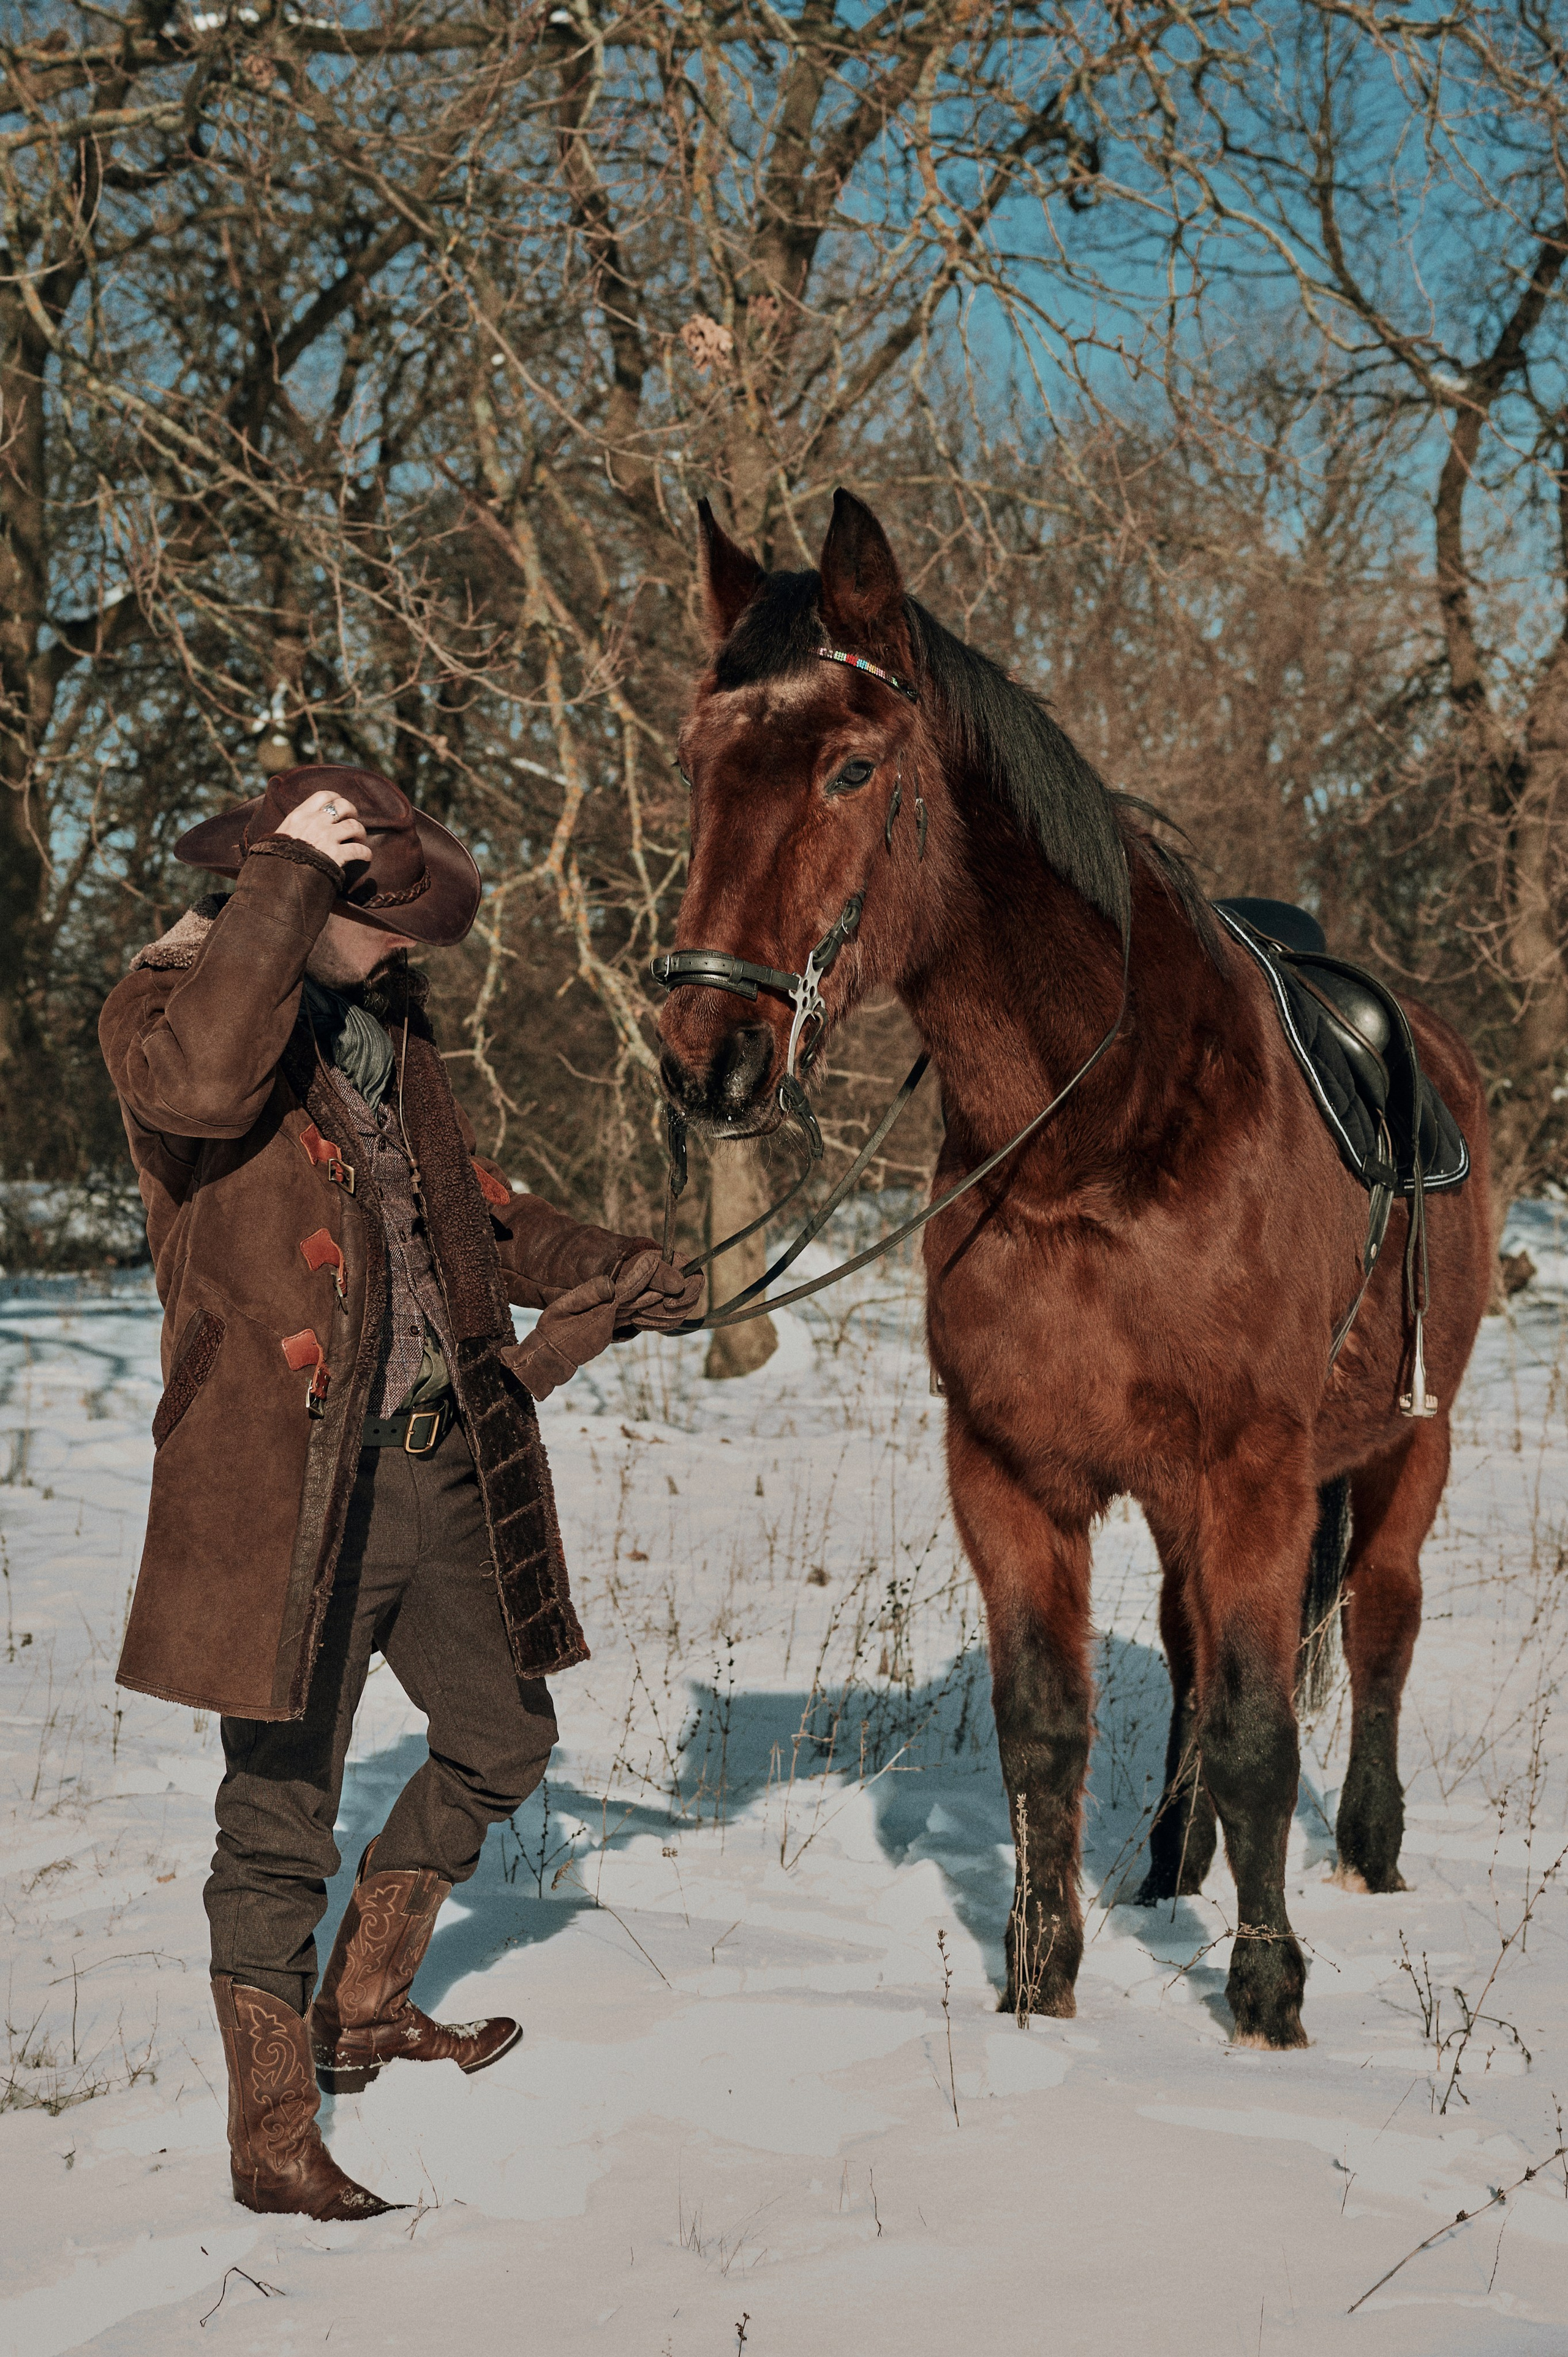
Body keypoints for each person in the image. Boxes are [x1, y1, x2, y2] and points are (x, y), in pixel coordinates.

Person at [99, 764, 701, 2219]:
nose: (412, 949)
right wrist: (284, 887)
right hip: (287, 1494)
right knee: (278, 1816)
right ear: (299, 901)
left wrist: (609, 1265)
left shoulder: (373, 1034)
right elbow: (202, 1085)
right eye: (390, 922)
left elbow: (471, 1212)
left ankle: (363, 2004)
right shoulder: (163, 1017)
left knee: (501, 1738)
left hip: (437, 1471)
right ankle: (271, 2143)